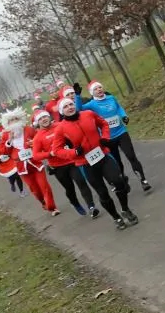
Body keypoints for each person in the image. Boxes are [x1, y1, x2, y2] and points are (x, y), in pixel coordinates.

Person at [53, 97, 139, 230]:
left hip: (102, 155)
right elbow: (57, 150)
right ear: (61, 112)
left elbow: (103, 123)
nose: (70, 107)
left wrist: (105, 137)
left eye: (71, 104)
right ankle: (116, 217)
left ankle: (125, 209)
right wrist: (74, 152)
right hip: (86, 164)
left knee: (119, 181)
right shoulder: (60, 128)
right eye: (65, 107)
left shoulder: (88, 114)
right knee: (102, 193)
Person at [74, 81, 151, 193]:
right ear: (92, 93)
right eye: (95, 89)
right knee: (117, 162)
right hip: (108, 138)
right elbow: (79, 109)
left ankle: (143, 180)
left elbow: (119, 108)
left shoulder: (111, 98)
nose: (99, 90)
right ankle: (122, 180)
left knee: (131, 156)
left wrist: (124, 116)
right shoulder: (91, 105)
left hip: (121, 132)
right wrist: (77, 96)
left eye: (100, 87)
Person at [31, 109, 100, 218]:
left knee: (81, 182)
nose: (44, 119)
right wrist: (50, 154)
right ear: (37, 123)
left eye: (45, 117)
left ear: (49, 117)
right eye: (40, 119)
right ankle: (75, 202)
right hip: (58, 167)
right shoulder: (38, 137)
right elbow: (35, 155)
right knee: (69, 188)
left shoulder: (60, 126)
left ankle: (91, 207)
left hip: (72, 160)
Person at [1, 108, 59, 215]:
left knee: (44, 186)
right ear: (8, 123)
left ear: (20, 120)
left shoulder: (29, 129)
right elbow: (5, 152)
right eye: (11, 120)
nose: (14, 122)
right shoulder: (6, 135)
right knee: (35, 190)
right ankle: (43, 202)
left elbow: (39, 140)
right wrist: (9, 141)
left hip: (35, 163)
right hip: (22, 167)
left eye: (16, 119)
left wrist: (34, 143)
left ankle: (52, 207)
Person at [0, 128, 26, 195]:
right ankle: (12, 184)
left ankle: (22, 191)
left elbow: (10, 147)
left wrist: (11, 154)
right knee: (11, 177)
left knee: (17, 176)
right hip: (2, 163)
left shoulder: (3, 141)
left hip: (10, 160)